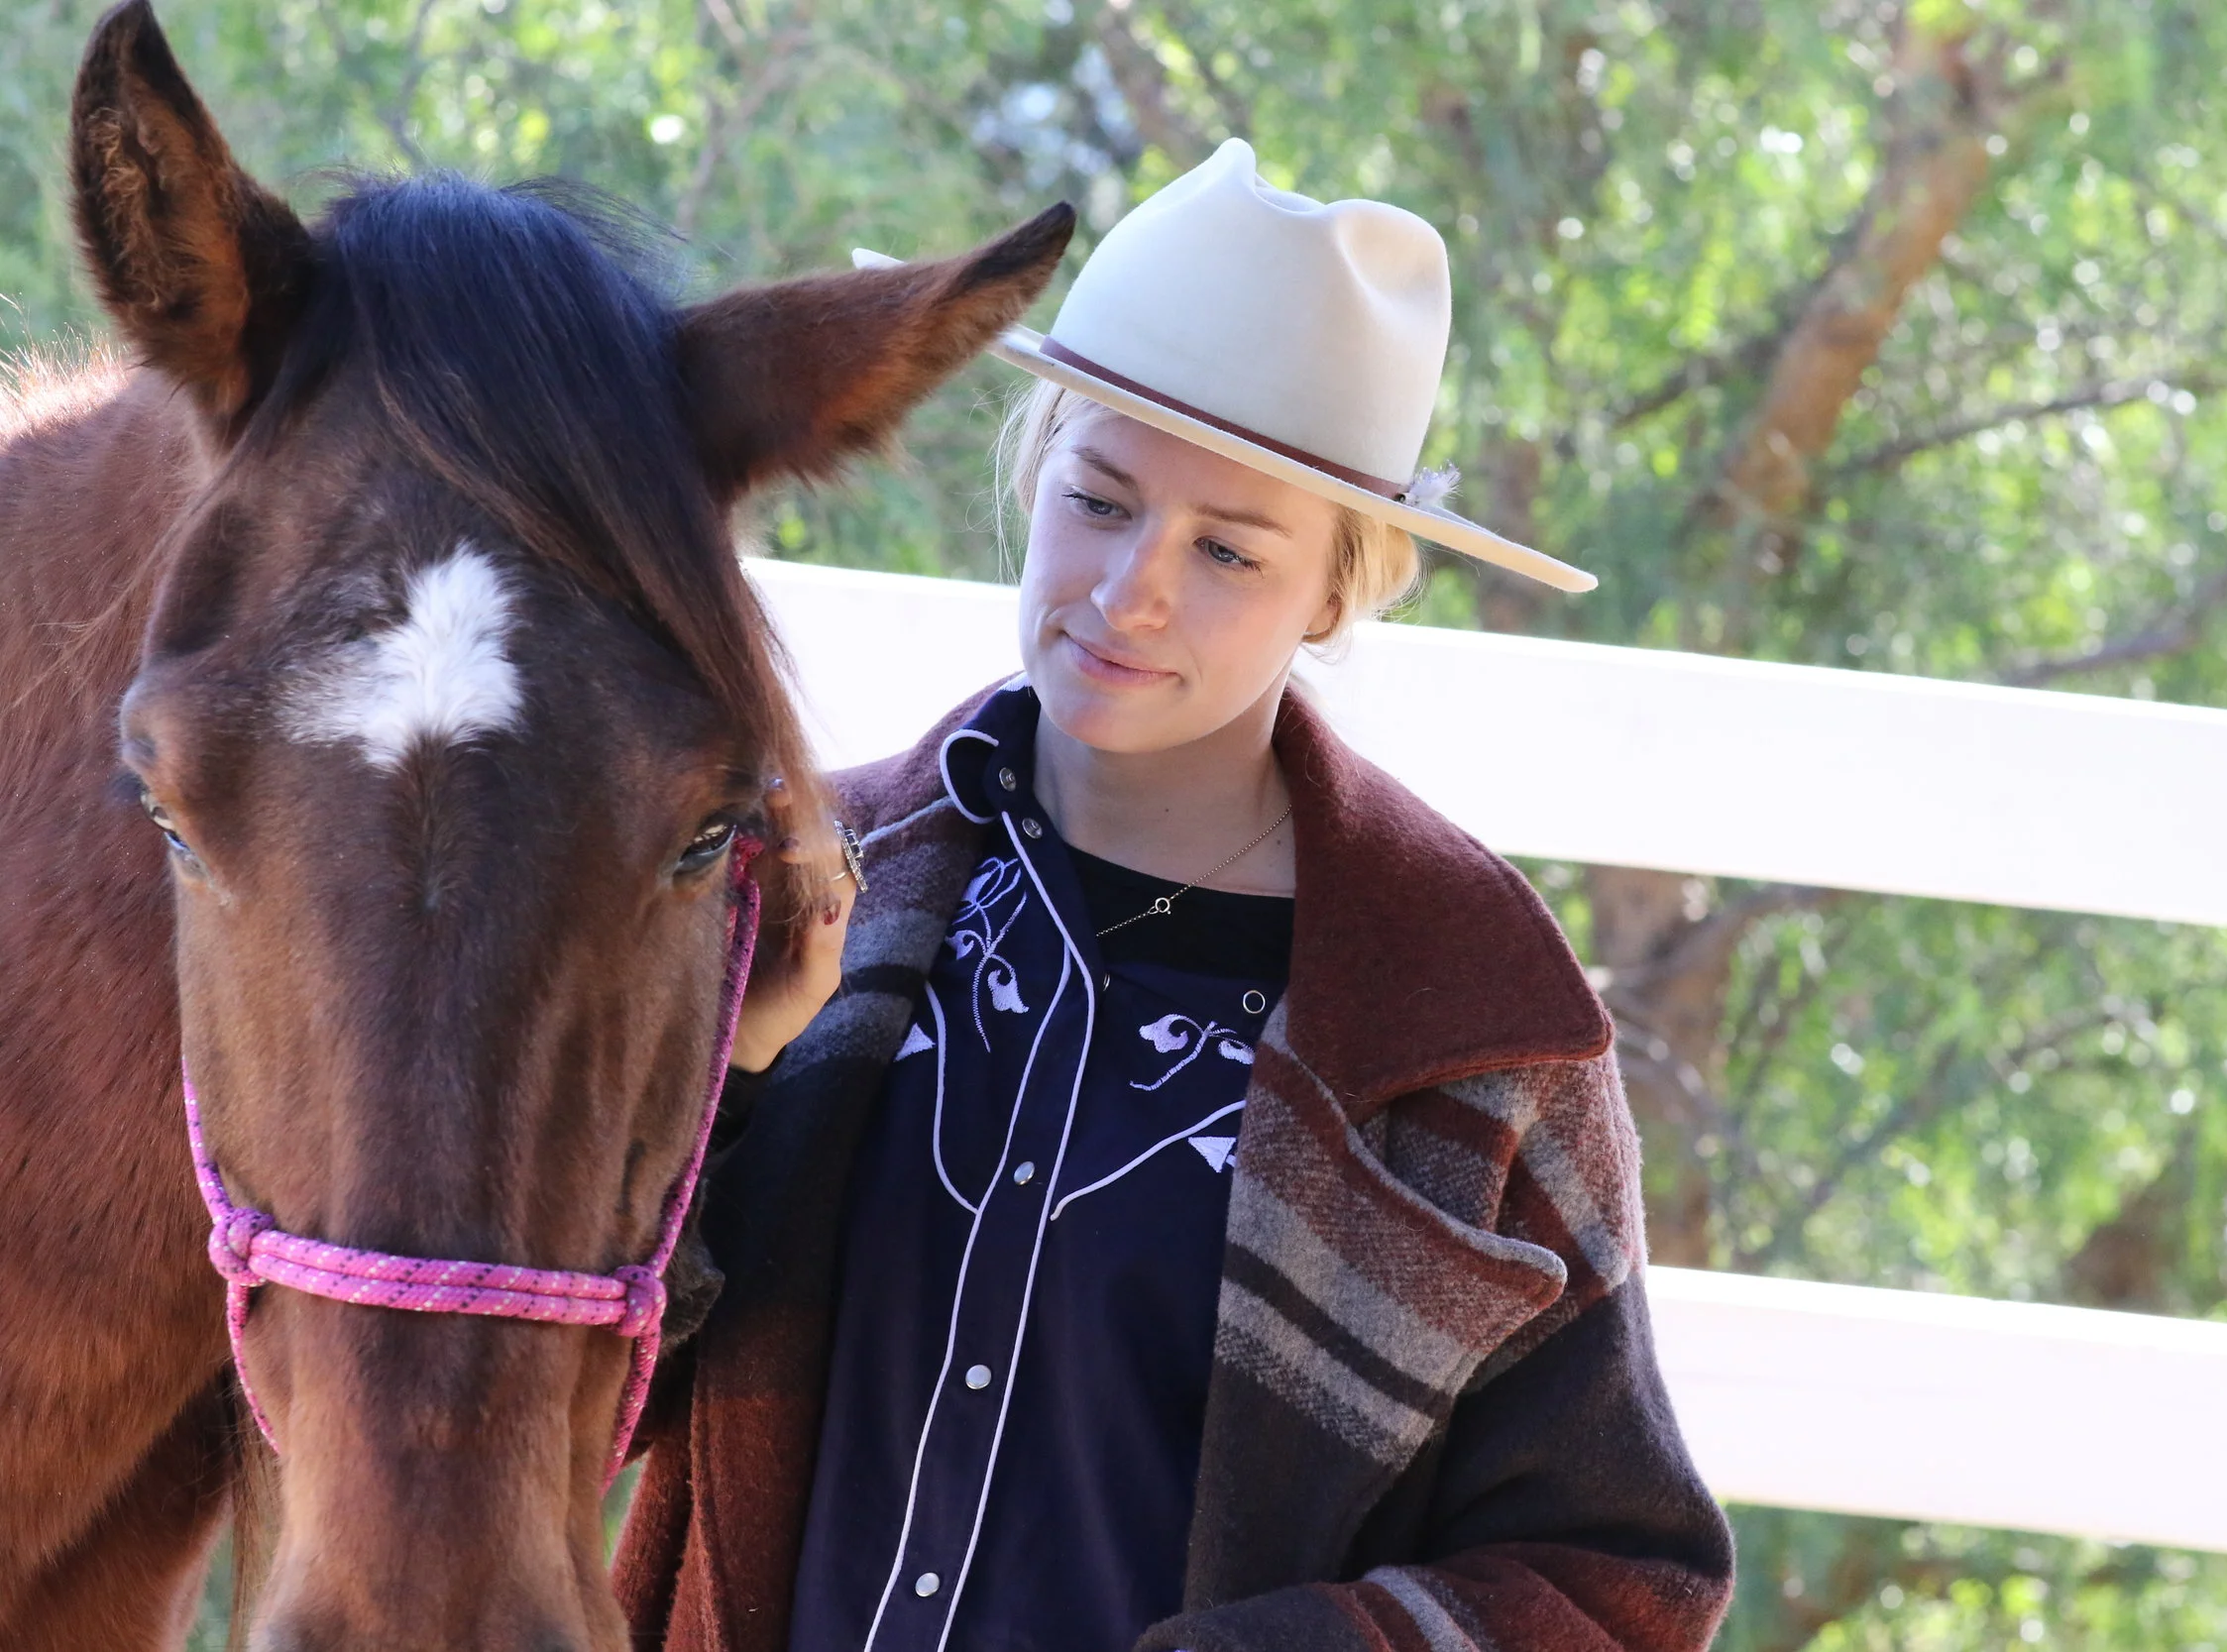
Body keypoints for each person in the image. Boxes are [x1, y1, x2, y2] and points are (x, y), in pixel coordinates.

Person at [616, 138, 1733, 1652]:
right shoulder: (798, 879)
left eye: (1227, 550)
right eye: (1100, 498)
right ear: (1035, 472)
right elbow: (549, 1386)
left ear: (1332, 593)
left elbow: (1619, 1580)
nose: (1133, 588)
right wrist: (737, 1067)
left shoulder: (1472, 1032)